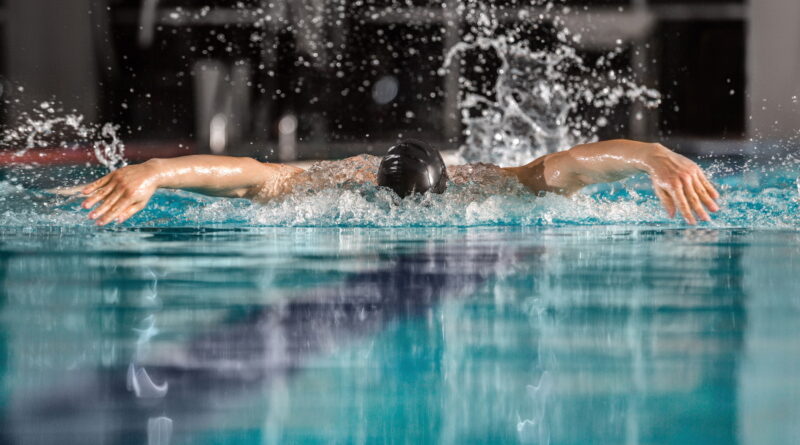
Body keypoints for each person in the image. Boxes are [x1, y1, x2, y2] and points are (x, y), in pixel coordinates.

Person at [80, 139, 720, 226]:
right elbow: (252, 178)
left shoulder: (485, 185)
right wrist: (155, 171)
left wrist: (650, 154)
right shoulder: (335, 182)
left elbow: (570, 165)